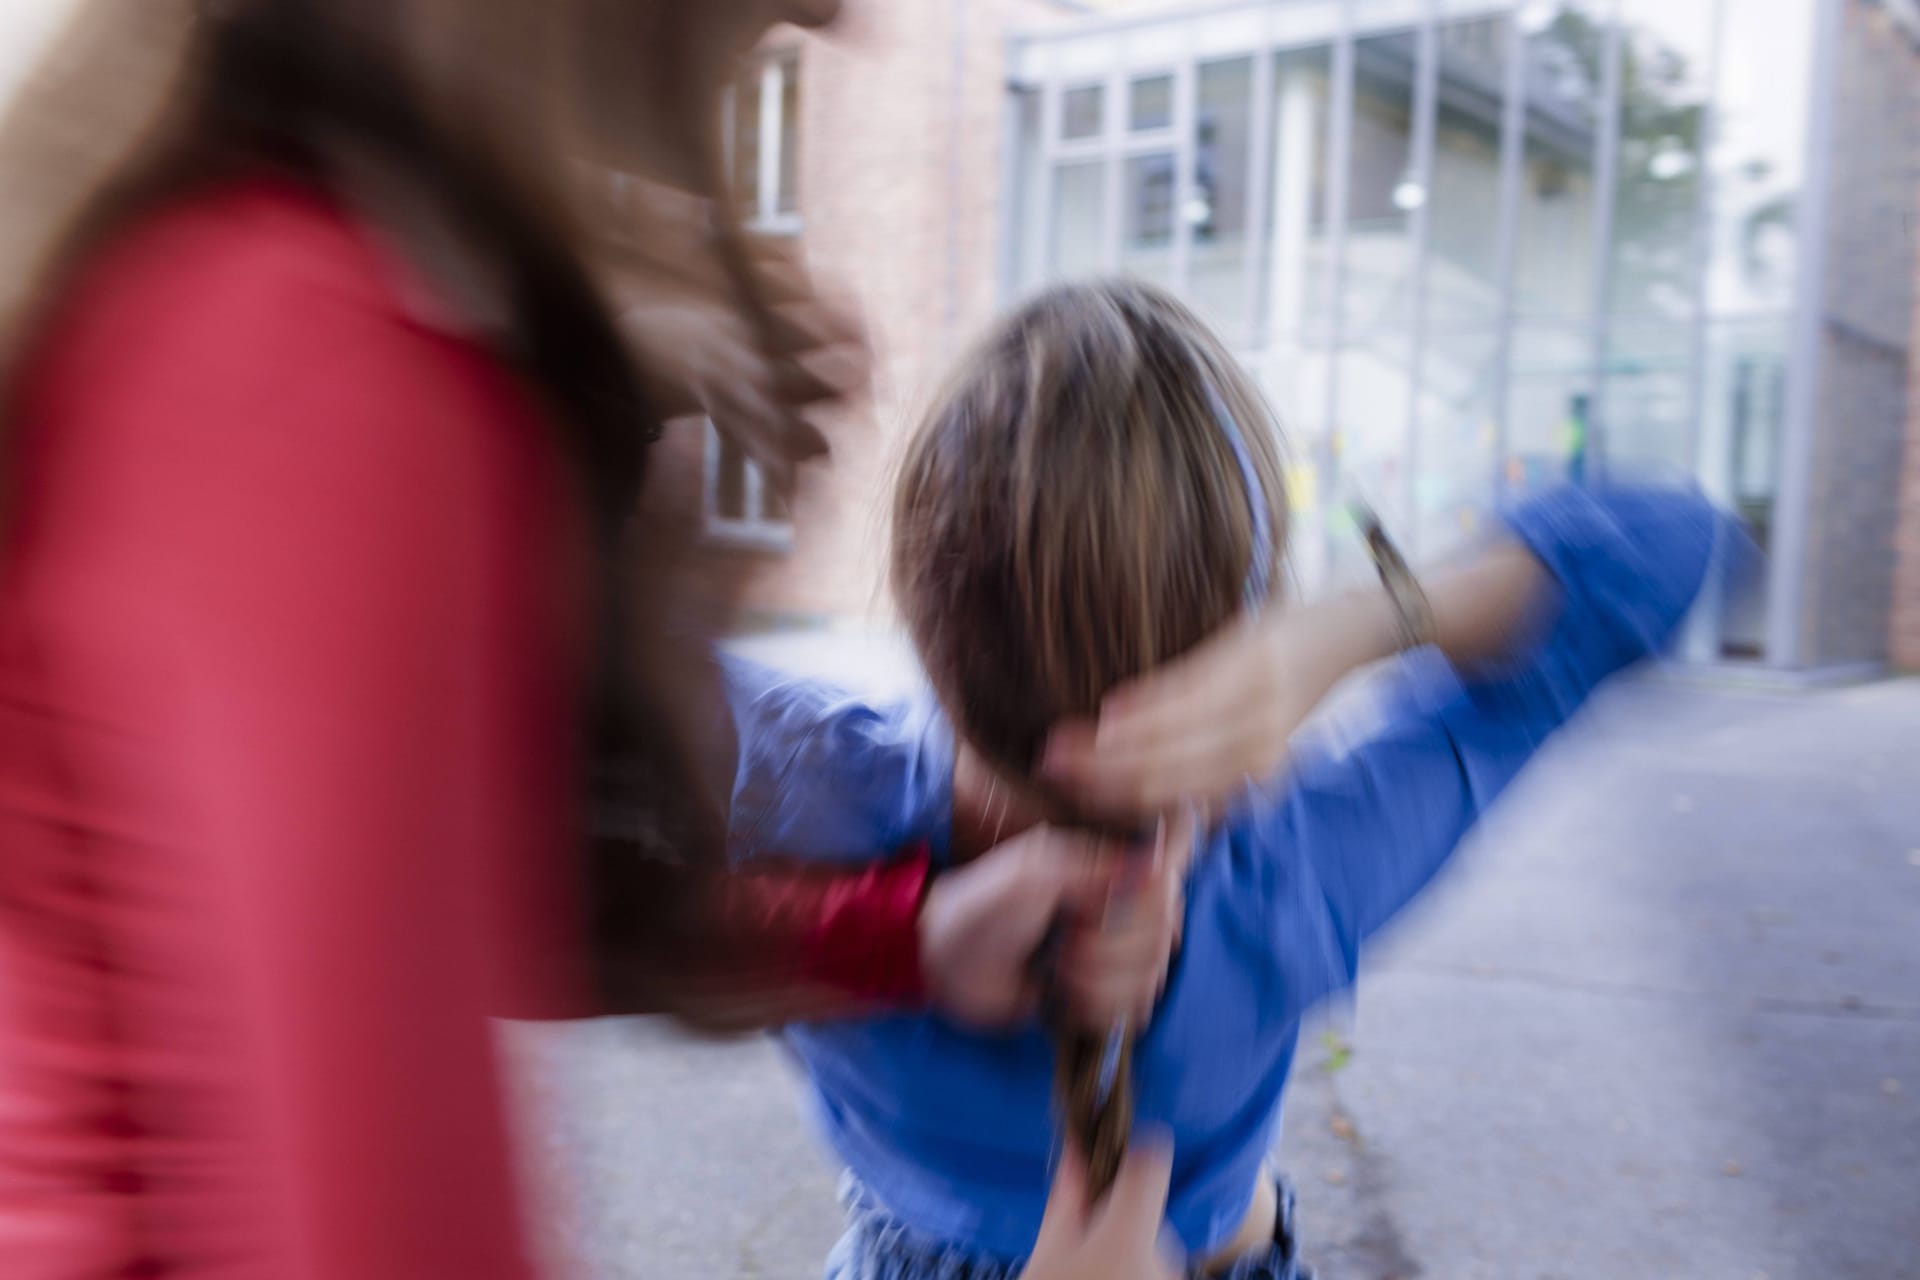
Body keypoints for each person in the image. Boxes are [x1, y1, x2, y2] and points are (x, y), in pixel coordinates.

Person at [0, 4, 1181, 1277]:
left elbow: (453, 920)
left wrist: (908, 934)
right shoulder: (318, 378)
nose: (840, 17)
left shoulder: (221, 283)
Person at [716, 279, 1720, 1278]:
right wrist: (1356, 626)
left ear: (914, 588)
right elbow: (1666, 546)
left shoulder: (802, 790)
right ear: (1245, 619)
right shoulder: (1293, 875)